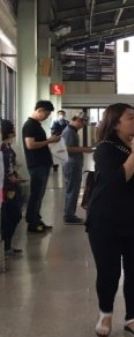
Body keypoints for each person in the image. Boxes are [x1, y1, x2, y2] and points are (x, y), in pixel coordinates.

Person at [86, 104, 134, 337]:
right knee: (109, 271)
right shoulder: (105, 148)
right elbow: (119, 179)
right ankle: (105, 314)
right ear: (116, 122)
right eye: (130, 118)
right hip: (106, 221)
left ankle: (132, 317)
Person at [22, 100, 61, 233]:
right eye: (47, 113)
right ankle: (32, 222)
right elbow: (30, 145)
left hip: (42, 164)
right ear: (40, 110)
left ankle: (36, 219)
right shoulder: (29, 125)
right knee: (36, 194)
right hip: (36, 165)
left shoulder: (36, 125)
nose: (47, 117)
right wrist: (49, 140)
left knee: (39, 194)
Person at [61, 116, 94, 224]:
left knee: (71, 189)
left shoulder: (71, 131)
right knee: (73, 190)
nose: (81, 126)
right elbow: (68, 148)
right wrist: (84, 149)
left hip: (72, 164)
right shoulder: (69, 132)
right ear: (76, 120)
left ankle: (68, 213)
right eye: (81, 123)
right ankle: (70, 215)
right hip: (72, 164)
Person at [1, 120, 24, 256]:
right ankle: (6, 245)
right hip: (5, 187)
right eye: (12, 129)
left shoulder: (7, 146)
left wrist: (16, 175)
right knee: (10, 216)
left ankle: (7, 244)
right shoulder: (2, 149)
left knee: (13, 216)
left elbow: (10, 166)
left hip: (12, 185)